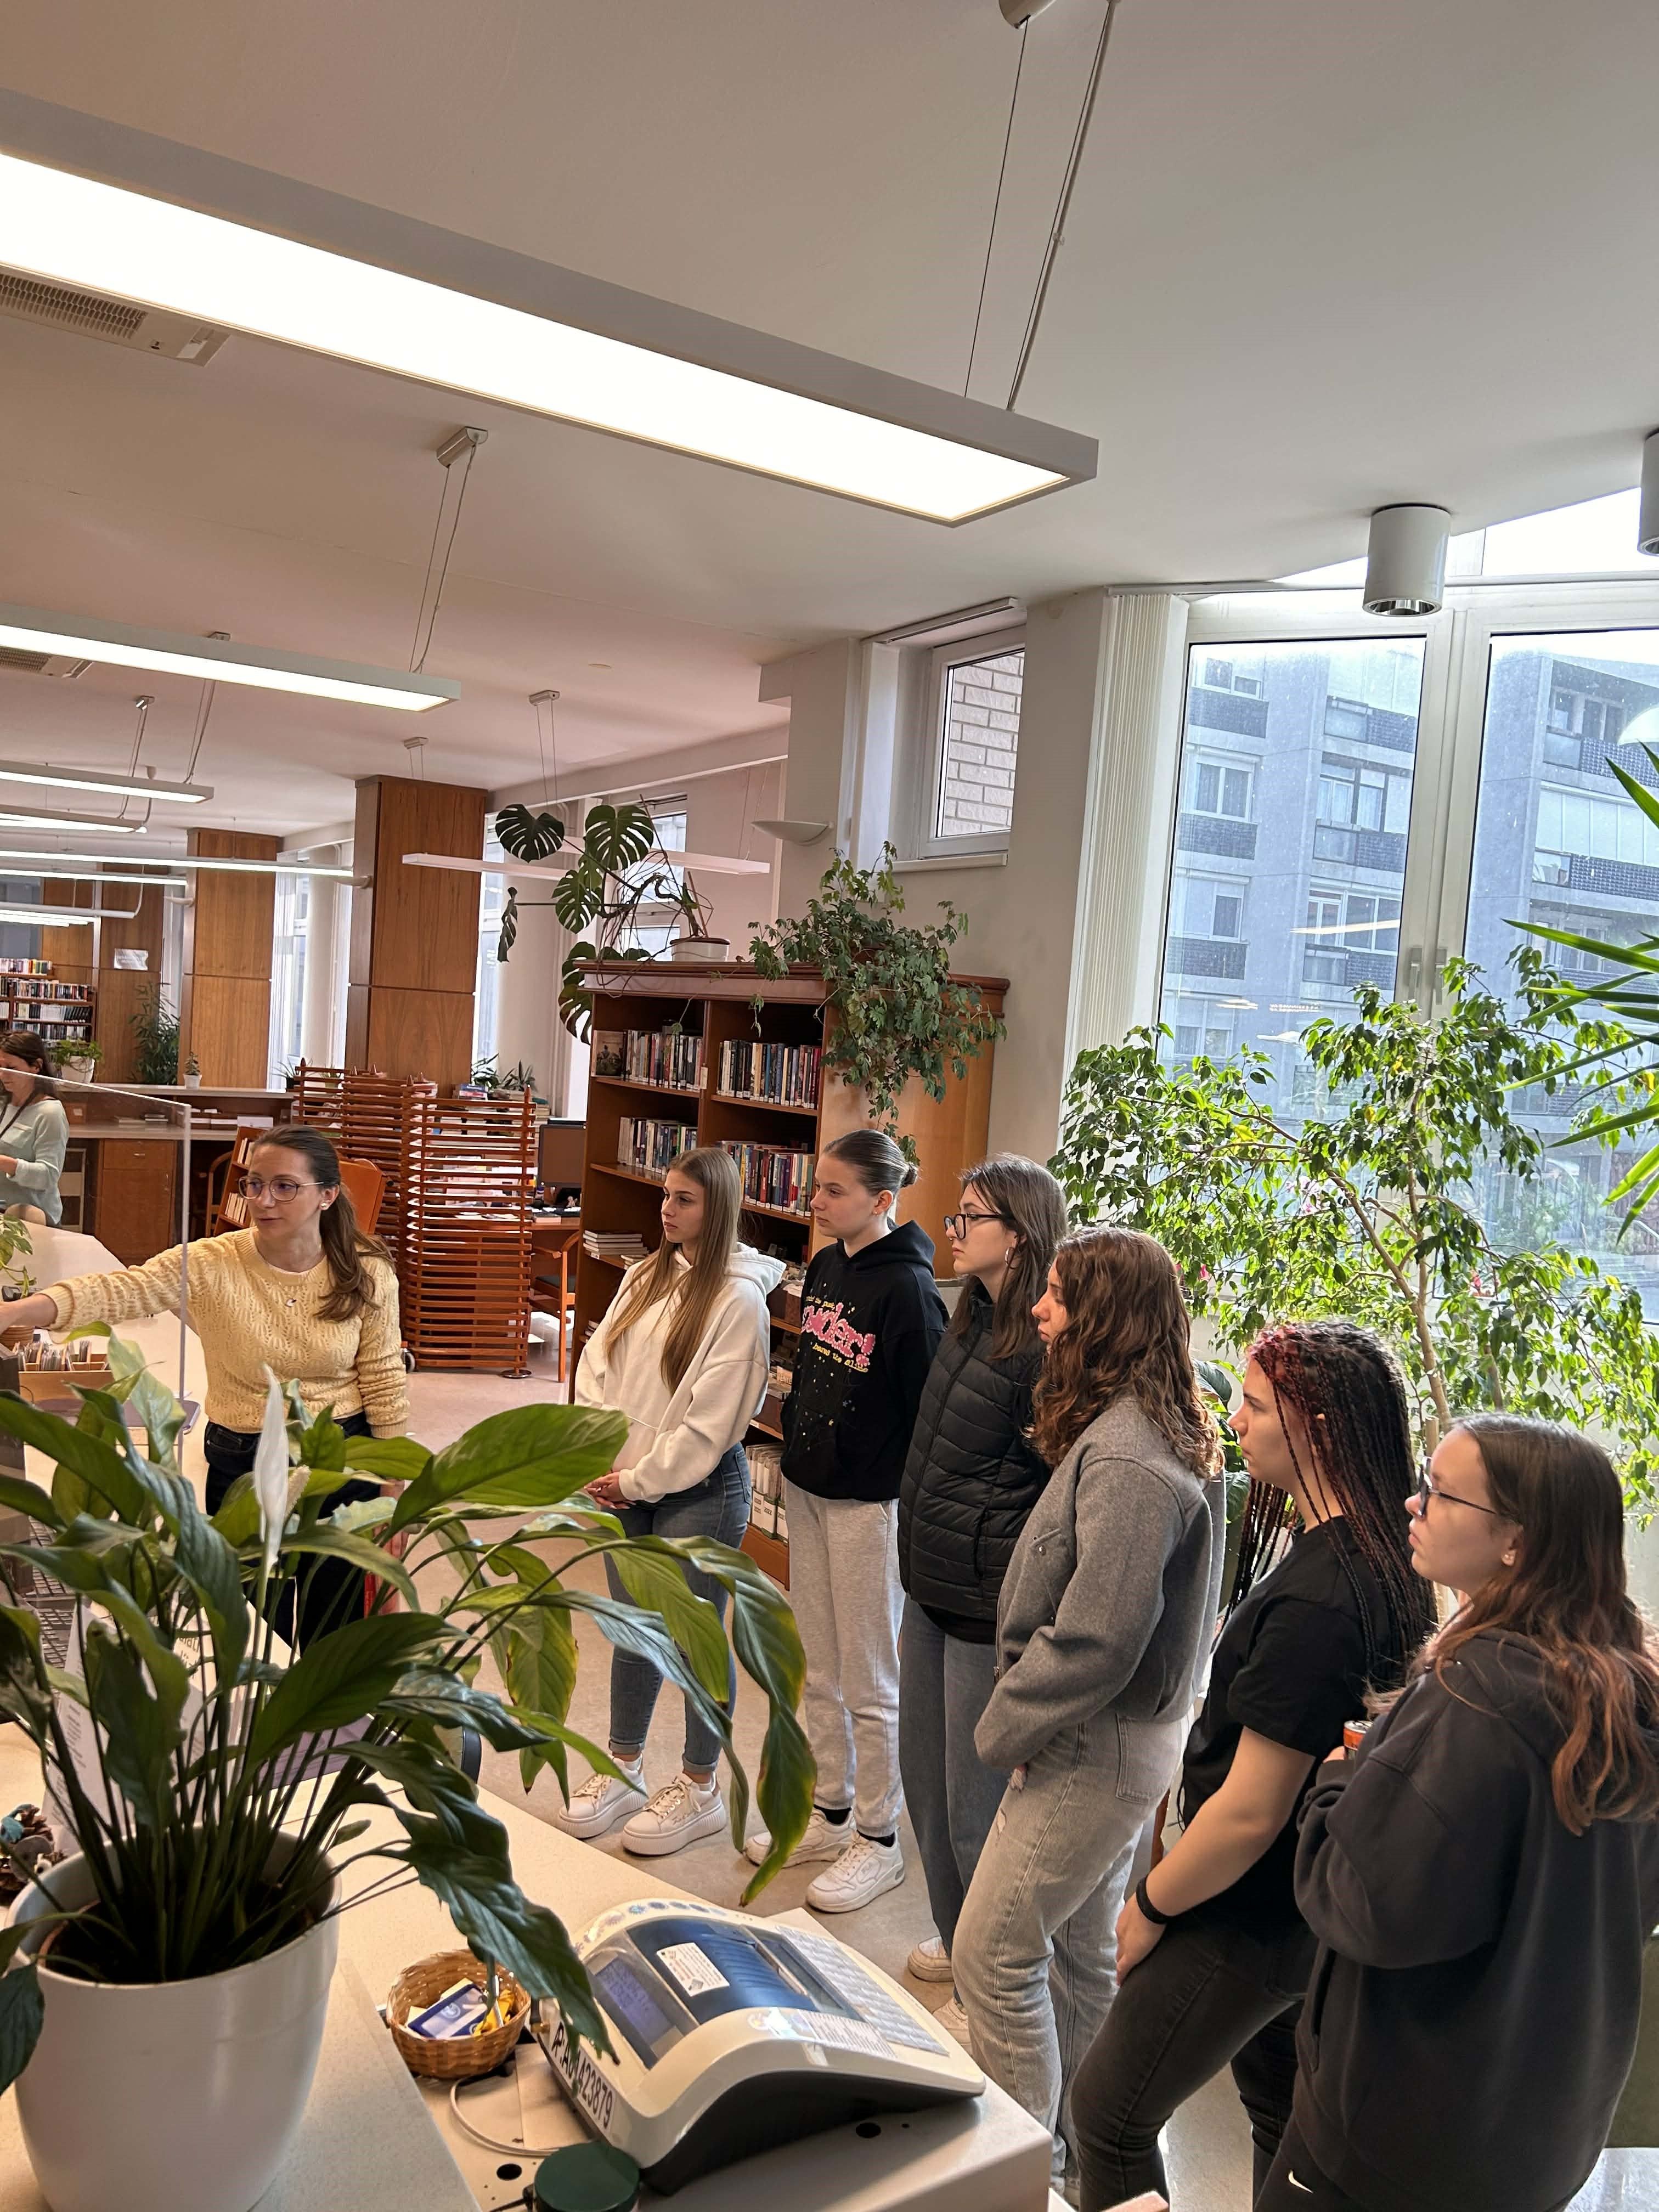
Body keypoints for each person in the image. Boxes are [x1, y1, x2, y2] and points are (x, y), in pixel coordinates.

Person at [1070, 1319, 1435, 2211]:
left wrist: (1150, 1903)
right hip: (1296, 1910)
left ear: (1317, 1428)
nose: (1234, 1420)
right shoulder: (1376, 1556)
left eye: (1257, 1406)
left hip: (1246, 1913)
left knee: (1107, 2115)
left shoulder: (1322, 1603)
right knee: (1278, 2114)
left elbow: (1250, 1812)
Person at [1256, 1415, 1659, 2212]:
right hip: (1538, 2137)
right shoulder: (1628, 1697)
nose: (1414, 1504)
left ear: (1516, 1541)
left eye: (1439, 1493)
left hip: (1394, 2147)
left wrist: (1337, 1783)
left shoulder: (1477, 1697)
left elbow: (1363, 1902)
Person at [952, 1226, 1225, 2194]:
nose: (1039, 1308)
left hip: (1097, 1744)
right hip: (1116, 1740)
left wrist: (1009, 1725)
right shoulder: (1135, 1428)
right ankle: (1083, 2168)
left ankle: (1019, 2176)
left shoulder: (1130, 1459)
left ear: (1105, 1319)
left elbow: (1100, 1637)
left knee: (990, 1956)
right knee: (1074, 1956)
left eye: (1060, 1296)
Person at [5, 1124, 407, 1640]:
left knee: (335, 1626)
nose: (264, 1200)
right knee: (257, 1629)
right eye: (254, 1184)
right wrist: (13, 1311)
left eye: (285, 1186)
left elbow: (383, 1376)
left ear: (327, 1195)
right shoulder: (213, 1261)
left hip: (344, 1455)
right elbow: (120, 1290)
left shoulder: (365, 1269)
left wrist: (393, 1482)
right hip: (244, 1457)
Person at [558, 1147, 782, 1857]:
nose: (666, 1209)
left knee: (694, 1639)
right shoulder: (645, 1274)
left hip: (700, 1492)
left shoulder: (739, 1301)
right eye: (665, 1195)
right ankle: (625, 1767)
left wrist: (635, 1479)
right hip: (624, 1480)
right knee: (632, 1630)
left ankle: (700, 1785)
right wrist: (601, 1453)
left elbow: (710, 1427)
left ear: (718, 1209)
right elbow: (597, 1362)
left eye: (684, 1199)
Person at [744, 1127, 947, 1912]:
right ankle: (829, 1812)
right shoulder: (828, 1266)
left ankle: (880, 1837)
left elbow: (927, 1416)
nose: (816, 1201)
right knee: (819, 1666)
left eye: (834, 1190)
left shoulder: (911, 1293)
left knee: (870, 1676)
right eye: (817, 1186)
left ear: (882, 1200)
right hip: (809, 1490)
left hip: (870, 1506)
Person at [896, 1154, 1067, 2024]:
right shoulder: (969, 1316)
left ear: (1021, 1235)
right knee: (923, 1790)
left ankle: (983, 1990)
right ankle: (955, 1935)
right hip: (927, 1587)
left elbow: (1056, 1496)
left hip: (980, 1609)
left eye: (971, 1219)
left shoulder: (1046, 1351)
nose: (954, 1231)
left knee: (973, 1810)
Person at [0, 1032, 68, 1225]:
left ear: (36, 1066)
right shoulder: (3, 1103)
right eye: (0, 1067)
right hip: (4, 1215)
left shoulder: (50, 1112)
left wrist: (6, 1164)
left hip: (34, 1220)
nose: (3, 1075)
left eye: (11, 1068)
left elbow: (48, 1176)